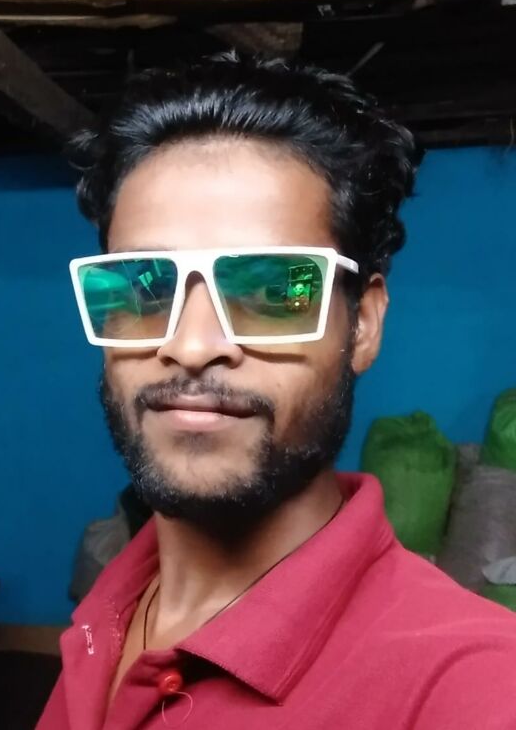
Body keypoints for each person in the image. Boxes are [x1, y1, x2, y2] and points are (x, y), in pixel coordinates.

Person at [37, 53, 516, 730]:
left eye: (273, 290)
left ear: (364, 324)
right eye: (146, 287)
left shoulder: (474, 685)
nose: (192, 345)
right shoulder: (108, 607)